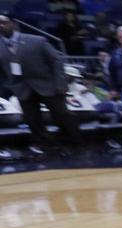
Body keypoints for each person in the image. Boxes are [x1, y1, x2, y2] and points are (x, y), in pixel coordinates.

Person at [0, 14, 81, 156]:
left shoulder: (37, 40)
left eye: (3, 22)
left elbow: (57, 60)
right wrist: (10, 85)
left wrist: (61, 83)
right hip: (22, 87)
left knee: (62, 115)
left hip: (48, 84)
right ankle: (48, 147)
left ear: (13, 24)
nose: (1, 26)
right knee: (33, 121)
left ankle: (76, 144)